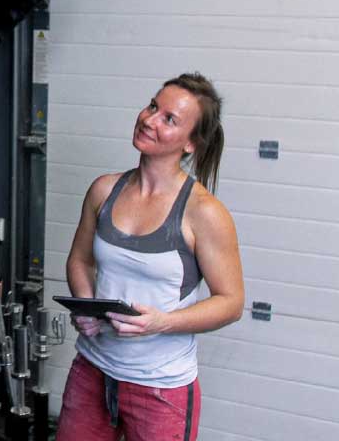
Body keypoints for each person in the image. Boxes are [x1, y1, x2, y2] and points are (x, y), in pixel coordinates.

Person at [56, 73, 244, 441]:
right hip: (92, 372)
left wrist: (162, 322)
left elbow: (232, 303)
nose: (149, 119)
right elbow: (80, 261)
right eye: (153, 106)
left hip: (160, 389)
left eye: (169, 119)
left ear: (191, 144)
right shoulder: (104, 190)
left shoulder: (204, 212)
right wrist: (85, 303)